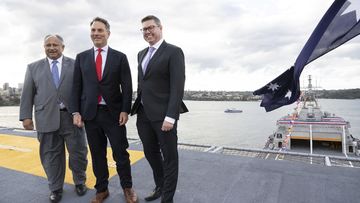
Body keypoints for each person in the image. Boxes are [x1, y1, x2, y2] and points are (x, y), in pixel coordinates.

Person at [70, 17, 138, 203]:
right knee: (97, 154)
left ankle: (127, 188)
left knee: (120, 153)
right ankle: (102, 189)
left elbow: (127, 86)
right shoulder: (82, 57)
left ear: (108, 33)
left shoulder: (120, 57)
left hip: (114, 114)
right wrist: (75, 112)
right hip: (90, 114)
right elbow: (76, 87)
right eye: (93, 30)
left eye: (100, 30)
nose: (96, 34)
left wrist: (125, 110)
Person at [19, 34, 88, 203]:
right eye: (48, 45)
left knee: (78, 153)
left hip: (72, 118)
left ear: (63, 47)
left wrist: (83, 113)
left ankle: (80, 181)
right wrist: (26, 117)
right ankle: (55, 188)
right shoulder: (33, 67)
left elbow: (84, 91)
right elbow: (27, 94)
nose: (51, 48)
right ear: (44, 47)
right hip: (46, 118)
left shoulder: (75, 64)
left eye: (55, 45)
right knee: (50, 156)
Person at [130, 15, 188, 203]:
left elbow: (177, 86)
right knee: (150, 152)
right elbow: (143, 84)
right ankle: (160, 186)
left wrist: (171, 116)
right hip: (144, 114)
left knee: (170, 158)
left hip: (164, 115)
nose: (147, 32)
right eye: (144, 29)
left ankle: (167, 198)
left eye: (151, 28)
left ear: (160, 28)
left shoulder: (173, 52)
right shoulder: (141, 54)